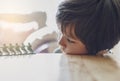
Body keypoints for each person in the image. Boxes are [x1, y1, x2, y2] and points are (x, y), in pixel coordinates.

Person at [56, 0, 120, 55]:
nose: (60, 42)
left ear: (101, 51)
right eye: (60, 32)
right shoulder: (58, 53)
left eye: (69, 40)